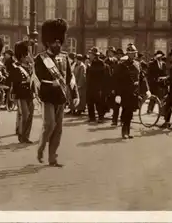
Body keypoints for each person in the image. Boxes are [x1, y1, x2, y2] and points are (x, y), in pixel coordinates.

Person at [34, 19, 79, 166]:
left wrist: (75, 94)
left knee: (58, 129)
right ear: (47, 43)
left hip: (60, 97)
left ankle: (52, 157)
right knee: (49, 124)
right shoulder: (40, 59)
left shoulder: (64, 57)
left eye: (60, 42)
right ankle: (41, 148)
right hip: (47, 97)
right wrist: (50, 84)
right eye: (55, 42)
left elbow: (70, 78)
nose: (58, 45)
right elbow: (38, 78)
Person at [114, 44, 150, 139]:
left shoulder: (137, 64)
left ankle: (128, 131)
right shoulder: (122, 66)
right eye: (131, 53)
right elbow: (117, 80)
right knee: (126, 111)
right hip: (125, 92)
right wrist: (117, 94)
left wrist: (146, 90)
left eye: (134, 53)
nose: (134, 55)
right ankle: (124, 131)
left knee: (130, 112)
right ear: (128, 54)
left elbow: (142, 77)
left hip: (134, 92)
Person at [9, 40, 35, 144]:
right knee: (25, 114)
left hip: (29, 94)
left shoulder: (30, 68)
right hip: (21, 95)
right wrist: (14, 97)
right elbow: (15, 83)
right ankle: (21, 135)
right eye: (26, 56)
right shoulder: (17, 68)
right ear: (22, 57)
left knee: (30, 116)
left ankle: (26, 136)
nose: (28, 57)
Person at [86, 47, 109, 123]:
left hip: (98, 87)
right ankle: (92, 117)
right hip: (90, 86)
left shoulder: (101, 63)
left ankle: (100, 117)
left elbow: (104, 76)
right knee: (90, 102)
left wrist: (103, 88)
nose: (89, 56)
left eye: (91, 54)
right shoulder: (90, 63)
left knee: (99, 103)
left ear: (95, 55)